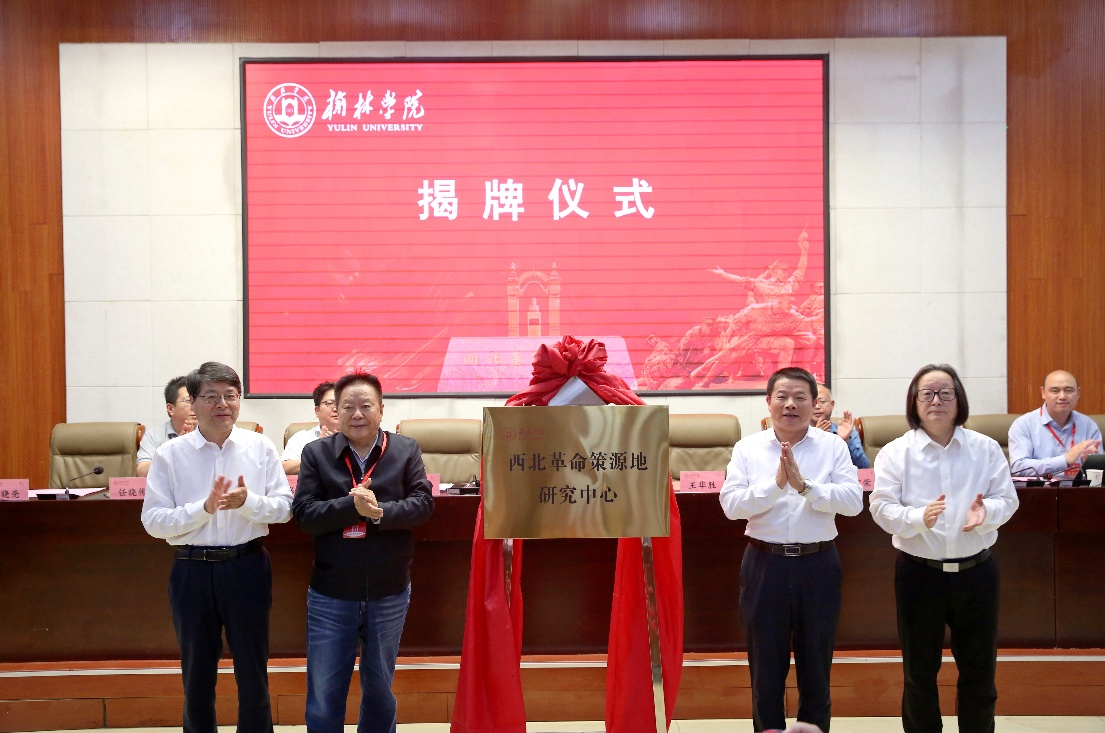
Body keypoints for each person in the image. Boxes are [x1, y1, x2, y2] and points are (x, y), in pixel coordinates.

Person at [140, 362, 293, 733]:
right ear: (193, 403)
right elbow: (153, 521)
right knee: (196, 674)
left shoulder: (260, 447)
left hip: (247, 566)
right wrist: (204, 509)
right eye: (211, 396)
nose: (222, 404)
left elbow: (285, 508)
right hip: (192, 570)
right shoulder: (170, 454)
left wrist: (248, 502)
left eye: (230, 395)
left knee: (253, 671)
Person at [870, 364, 1020, 733]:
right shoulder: (896, 452)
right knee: (919, 673)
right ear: (914, 402)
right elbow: (881, 508)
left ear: (958, 400)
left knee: (979, 671)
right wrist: (918, 517)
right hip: (920, 575)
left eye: (945, 393)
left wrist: (987, 513)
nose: (936, 400)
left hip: (977, 573)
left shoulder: (985, 448)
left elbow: (1008, 500)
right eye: (927, 393)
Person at [719, 366, 862, 733]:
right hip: (764, 565)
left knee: (816, 667)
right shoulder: (748, 448)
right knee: (765, 670)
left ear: (815, 404)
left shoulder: (832, 446)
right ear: (768, 402)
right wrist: (775, 485)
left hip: (818, 564)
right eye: (782, 397)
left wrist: (805, 487)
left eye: (800, 397)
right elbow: (731, 506)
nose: (790, 405)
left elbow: (853, 502)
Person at [292, 371, 434, 733]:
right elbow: (304, 514)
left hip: (389, 590)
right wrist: (350, 507)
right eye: (348, 407)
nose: (357, 414)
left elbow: (422, 504)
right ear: (335, 412)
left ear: (381, 410)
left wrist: (379, 512)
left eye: (366, 406)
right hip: (331, 592)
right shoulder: (316, 453)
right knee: (324, 692)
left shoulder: (405, 450)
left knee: (380, 689)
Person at [1008, 369, 1102, 477]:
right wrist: (1065, 460)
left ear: (1078, 393)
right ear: (1043, 392)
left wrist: (1091, 462)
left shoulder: (1088, 425)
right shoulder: (1024, 424)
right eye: (1055, 391)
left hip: (1079, 487)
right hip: (1040, 487)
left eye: (1068, 390)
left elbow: (1100, 471)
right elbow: (1018, 468)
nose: (1062, 396)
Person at [136, 375, 197, 477]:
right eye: (188, 401)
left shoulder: (210, 432)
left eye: (196, 401)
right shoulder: (154, 435)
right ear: (170, 408)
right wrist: (175, 450)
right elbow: (141, 471)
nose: (194, 406)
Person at [282, 381, 339, 475]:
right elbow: (284, 468)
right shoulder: (301, 438)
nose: (336, 409)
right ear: (317, 411)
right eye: (330, 403)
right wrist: (319, 454)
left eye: (341, 403)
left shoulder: (356, 438)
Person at [811, 384, 870, 469]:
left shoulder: (849, 433)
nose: (817, 406)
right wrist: (815, 440)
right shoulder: (798, 434)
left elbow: (864, 467)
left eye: (822, 401)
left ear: (832, 405)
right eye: (813, 402)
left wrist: (845, 441)